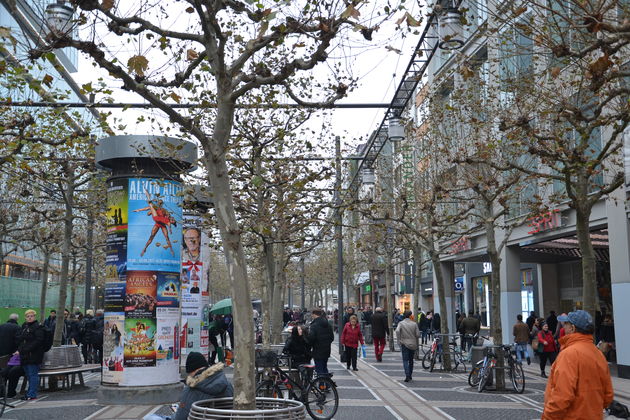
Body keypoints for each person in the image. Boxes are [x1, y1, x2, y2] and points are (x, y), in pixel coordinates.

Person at [542, 310, 613, 420]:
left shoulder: (568, 355)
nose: (563, 327)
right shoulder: (598, 354)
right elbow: (608, 395)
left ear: (573, 328)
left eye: (566, 324)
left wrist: (547, 418)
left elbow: (561, 397)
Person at [144, 352, 233, 420]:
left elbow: (180, 418)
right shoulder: (227, 384)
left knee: (149, 417)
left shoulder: (192, 389)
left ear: (192, 371)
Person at [16, 309, 46, 400]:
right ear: (25, 317)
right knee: (29, 375)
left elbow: (38, 341)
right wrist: (20, 349)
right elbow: (22, 340)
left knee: (33, 375)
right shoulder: (24, 326)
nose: (29, 318)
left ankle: (32, 394)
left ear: (34, 316)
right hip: (25, 355)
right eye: (28, 316)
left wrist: (25, 349)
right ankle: (30, 393)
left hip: (33, 355)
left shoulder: (38, 327)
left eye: (31, 316)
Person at [307, 309, 334, 377]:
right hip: (326, 349)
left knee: (319, 369)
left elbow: (311, 338)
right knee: (324, 367)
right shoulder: (327, 324)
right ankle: (327, 384)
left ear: (314, 314)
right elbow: (332, 337)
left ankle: (321, 385)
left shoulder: (314, 325)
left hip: (317, 350)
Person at [395, 311, 420, 382]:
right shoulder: (414, 324)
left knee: (405, 360)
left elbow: (397, 331)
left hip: (404, 343)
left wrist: (399, 339)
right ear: (410, 316)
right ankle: (410, 375)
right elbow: (418, 334)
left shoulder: (401, 323)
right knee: (411, 360)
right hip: (413, 343)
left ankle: (407, 375)